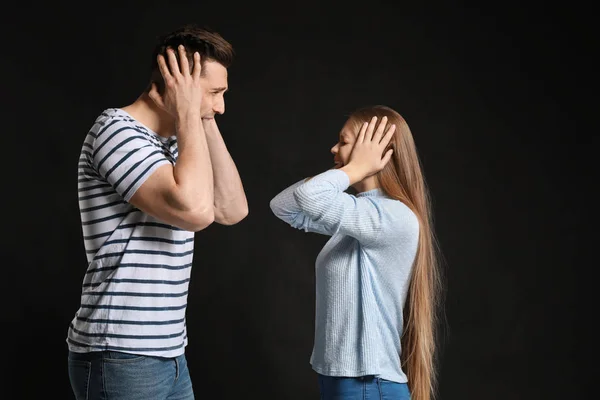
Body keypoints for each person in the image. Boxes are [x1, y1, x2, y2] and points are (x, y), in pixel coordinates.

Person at [67, 24, 248, 400]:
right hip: (119, 352)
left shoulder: (182, 142)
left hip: (169, 352)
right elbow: (196, 212)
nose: (221, 106)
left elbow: (231, 209)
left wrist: (202, 118)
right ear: (175, 80)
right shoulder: (116, 131)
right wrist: (187, 113)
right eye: (214, 93)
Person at [270, 106, 442, 400]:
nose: (333, 148)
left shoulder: (391, 217)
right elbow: (284, 206)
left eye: (344, 141)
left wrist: (355, 169)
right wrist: (350, 171)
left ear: (373, 152)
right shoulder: (358, 217)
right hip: (346, 381)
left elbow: (310, 197)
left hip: (366, 383)